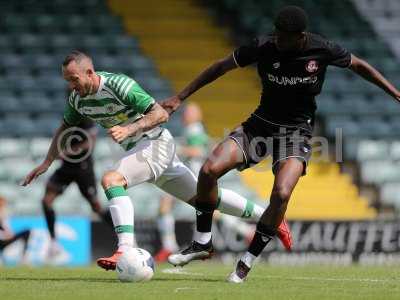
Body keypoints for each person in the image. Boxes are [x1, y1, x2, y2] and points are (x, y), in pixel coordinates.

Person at [162, 6, 400, 282]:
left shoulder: (321, 48)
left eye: (284, 37)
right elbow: (220, 67)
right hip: (259, 125)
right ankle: (202, 242)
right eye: (276, 34)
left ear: (300, 37)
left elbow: (359, 65)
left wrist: (394, 93)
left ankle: (246, 262)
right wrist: (179, 98)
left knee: (282, 193)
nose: (278, 40)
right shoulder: (263, 45)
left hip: (296, 133)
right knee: (208, 170)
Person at [21, 50, 292, 271]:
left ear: (90, 73)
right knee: (206, 199)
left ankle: (124, 249)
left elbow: (160, 114)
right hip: (142, 150)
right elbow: (64, 128)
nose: (71, 86)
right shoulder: (77, 100)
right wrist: (47, 162)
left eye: (74, 79)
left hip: (155, 143)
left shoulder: (119, 85)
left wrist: (129, 129)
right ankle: (271, 217)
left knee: (111, 180)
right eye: (67, 81)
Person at [154, 103, 264, 262]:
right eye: (186, 112)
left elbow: (197, 150)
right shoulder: (194, 129)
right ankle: (246, 231)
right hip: (193, 175)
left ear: (198, 116)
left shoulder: (194, 129)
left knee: (208, 208)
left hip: (195, 177)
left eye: (190, 112)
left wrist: (175, 150)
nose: (186, 115)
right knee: (170, 204)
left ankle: (171, 246)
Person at [40, 118, 113, 261]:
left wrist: (67, 152)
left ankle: (126, 238)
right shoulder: (69, 116)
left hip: (83, 169)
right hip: (66, 167)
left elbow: (90, 143)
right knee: (46, 200)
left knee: (96, 207)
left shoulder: (86, 118)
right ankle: (54, 243)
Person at [0, 196, 31, 264]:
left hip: (6, 238)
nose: (3, 204)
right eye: (2, 203)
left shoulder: (4, 213)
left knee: (27, 232)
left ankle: (23, 257)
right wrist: (7, 232)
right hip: (2, 238)